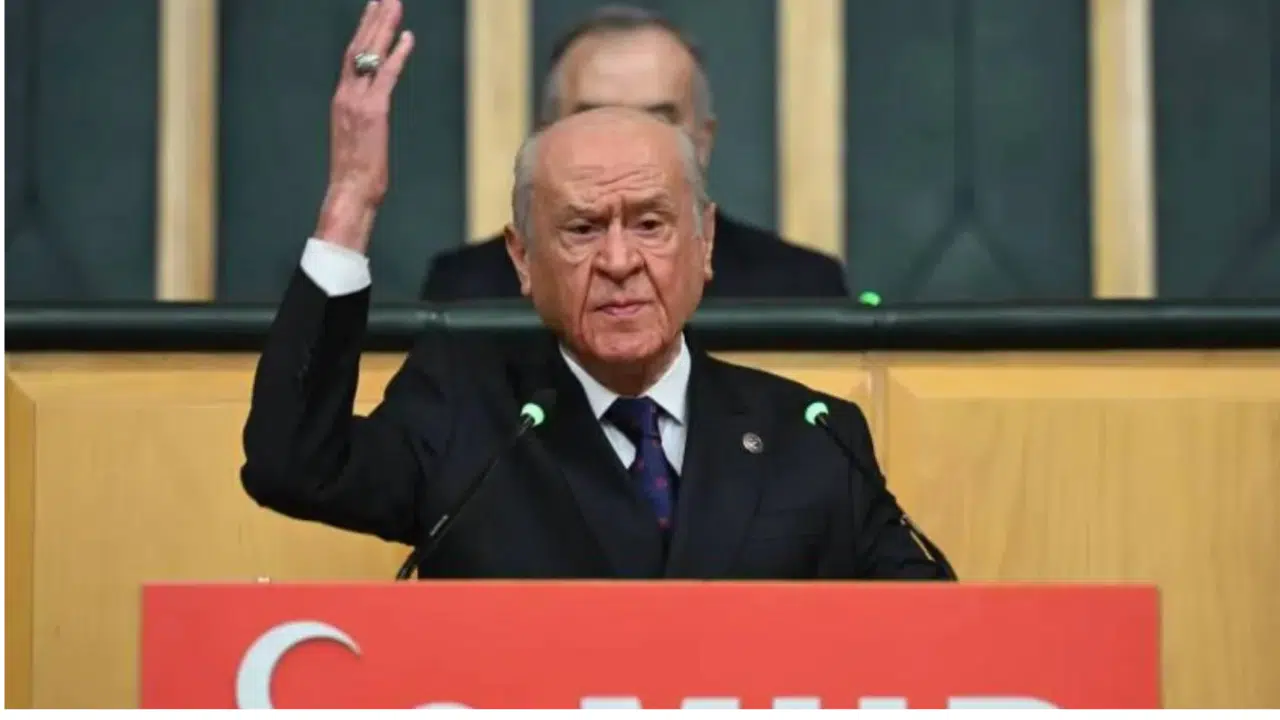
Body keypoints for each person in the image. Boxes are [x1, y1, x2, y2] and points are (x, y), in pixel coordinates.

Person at [242, 0, 952, 581]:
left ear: (703, 242)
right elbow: (291, 468)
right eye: (582, 229)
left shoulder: (816, 435)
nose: (618, 261)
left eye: (650, 224)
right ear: (522, 258)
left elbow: (929, 632)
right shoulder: (465, 416)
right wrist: (352, 201)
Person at [420, 4, 849, 302]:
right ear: (543, 138)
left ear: (704, 140)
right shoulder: (467, 292)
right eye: (595, 119)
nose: (625, 148)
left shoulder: (799, 291)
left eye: (657, 121)